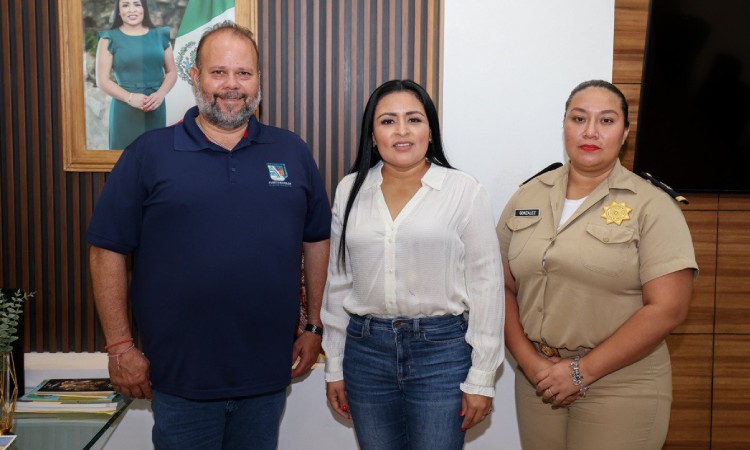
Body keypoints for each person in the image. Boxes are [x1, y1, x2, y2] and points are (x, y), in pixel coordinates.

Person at [87, 21, 331, 449]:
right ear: (195, 76)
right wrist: (120, 346)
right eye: (219, 72)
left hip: (266, 377)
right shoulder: (148, 153)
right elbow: (106, 249)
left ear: (258, 79)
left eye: (243, 73)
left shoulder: (291, 150)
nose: (232, 85)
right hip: (179, 379)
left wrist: (313, 326)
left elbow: (316, 240)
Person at [496, 80, 698, 450]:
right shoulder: (528, 195)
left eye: (606, 120)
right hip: (539, 381)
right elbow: (500, 287)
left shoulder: (652, 205)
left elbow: (668, 308)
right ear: (564, 126)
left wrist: (581, 371)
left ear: (625, 133)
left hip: (621, 383)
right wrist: (530, 362)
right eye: (579, 119)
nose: (590, 131)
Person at [322, 79, 505, 449]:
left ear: (430, 131)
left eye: (414, 119)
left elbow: (486, 284)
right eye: (388, 121)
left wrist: (482, 376)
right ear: (373, 135)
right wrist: (334, 364)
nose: (402, 131)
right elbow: (339, 282)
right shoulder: (349, 189)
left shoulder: (463, 190)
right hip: (366, 352)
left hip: (442, 353)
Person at [95, 0, 177, 149]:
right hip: (124, 107)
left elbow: (172, 72)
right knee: (124, 157)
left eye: (137, 4)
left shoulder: (161, 35)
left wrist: (160, 94)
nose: (132, 9)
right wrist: (130, 98)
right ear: (119, 11)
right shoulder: (108, 38)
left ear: (144, 8)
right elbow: (102, 81)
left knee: (155, 155)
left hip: (155, 105)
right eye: (125, 5)